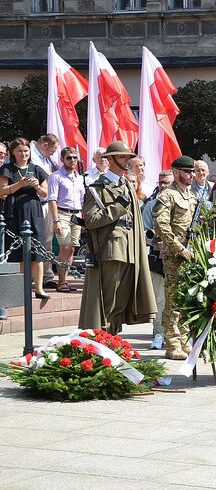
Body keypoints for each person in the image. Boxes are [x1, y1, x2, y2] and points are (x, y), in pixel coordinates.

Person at [78, 141, 156, 333]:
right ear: (110, 159)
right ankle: (103, 337)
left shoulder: (127, 185)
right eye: (122, 156)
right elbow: (91, 220)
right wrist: (117, 207)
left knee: (121, 300)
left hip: (130, 248)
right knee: (108, 299)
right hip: (111, 249)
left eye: (128, 156)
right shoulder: (97, 188)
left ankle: (112, 336)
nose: (127, 160)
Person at [152, 155, 199, 360]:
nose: (191, 175)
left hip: (190, 255)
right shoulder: (167, 196)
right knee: (172, 301)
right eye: (187, 172)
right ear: (176, 172)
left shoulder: (192, 196)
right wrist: (179, 249)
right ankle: (172, 344)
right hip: (174, 256)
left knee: (186, 300)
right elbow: (161, 226)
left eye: (192, 172)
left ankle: (183, 340)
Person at [0, 138, 51, 299]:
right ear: (13, 153)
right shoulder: (7, 168)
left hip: (34, 210)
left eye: (26, 150)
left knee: (37, 251)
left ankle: (39, 288)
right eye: (20, 151)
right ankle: (21, 288)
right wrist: (20, 184)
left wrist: (36, 186)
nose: (23, 154)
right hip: (15, 210)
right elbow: (2, 191)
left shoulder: (36, 169)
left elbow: (45, 193)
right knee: (17, 251)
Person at [142, 170, 174, 350]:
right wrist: (154, 241)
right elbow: (143, 231)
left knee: (176, 299)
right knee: (159, 299)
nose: (163, 186)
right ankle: (158, 333)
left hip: (177, 257)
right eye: (161, 183)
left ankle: (175, 334)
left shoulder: (183, 203)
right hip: (157, 258)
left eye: (167, 183)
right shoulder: (151, 205)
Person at [46, 146, 85, 293]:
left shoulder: (80, 178)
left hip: (77, 215)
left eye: (75, 157)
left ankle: (65, 281)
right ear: (62, 159)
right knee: (65, 246)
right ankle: (61, 282)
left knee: (72, 248)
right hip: (62, 213)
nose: (72, 160)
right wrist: (56, 220)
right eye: (69, 157)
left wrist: (85, 219)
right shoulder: (56, 176)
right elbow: (52, 199)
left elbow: (83, 200)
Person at [31, 134, 60, 290]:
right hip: (32, 202)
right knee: (31, 238)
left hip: (46, 202)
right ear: (44, 145)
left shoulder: (47, 159)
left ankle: (47, 276)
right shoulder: (30, 154)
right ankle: (29, 275)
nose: (52, 154)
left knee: (47, 239)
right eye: (52, 151)